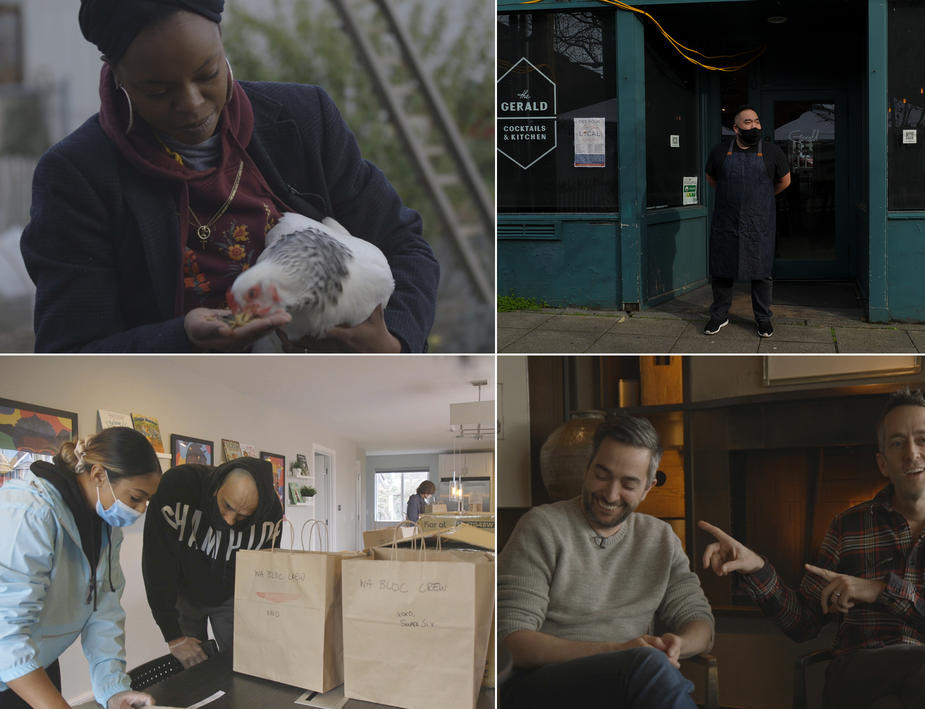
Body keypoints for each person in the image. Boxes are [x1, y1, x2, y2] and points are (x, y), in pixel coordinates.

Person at [20, 0, 438, 353]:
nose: (192, 104)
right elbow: (71, 347)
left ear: (223, 48)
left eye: (208, 74)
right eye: (157, 90)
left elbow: (405, 245)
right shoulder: (77, 176)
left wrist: (395, 343)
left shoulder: (303, 118)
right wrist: (182, 337)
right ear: (117, 75)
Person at [699, 388, 925, 709]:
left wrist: (882, 590)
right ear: (882, 463)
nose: (911, 453)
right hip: (863, 677)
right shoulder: (849, 526)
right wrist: (756, 568)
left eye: (923, 439)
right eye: (897, 443)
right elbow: (803, 622)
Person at [499, 415, 714, 709]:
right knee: (648, 668)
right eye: (602, 475)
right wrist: (616, 650)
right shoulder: (542, 526)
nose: (611, 494)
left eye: (628, 483)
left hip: (633, 682)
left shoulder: (660, 538)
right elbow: (512, 640)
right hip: (540, 684)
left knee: (650, 670)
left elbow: (700, 622)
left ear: (648, 488)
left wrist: (678, 645)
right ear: (587, 467)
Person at [0, 427, 162, 709]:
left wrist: (114, 690)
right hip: (11, 660)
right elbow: (6, 634)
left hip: (37, 662)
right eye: (136, 498)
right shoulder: (30, 512)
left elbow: (104, 612)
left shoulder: (105, 526)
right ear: (99, 474)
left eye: (147, 500)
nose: (140, 509)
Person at [142, 457, 283, 668]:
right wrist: (173, 636)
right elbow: (156, 565)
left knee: (244, 661)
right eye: (226, 505)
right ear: (217, 486)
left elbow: (264, 571)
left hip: (233, 593)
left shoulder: (271, 513)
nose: (229, 520)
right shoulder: (178, 487)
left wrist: (263, 620)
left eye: (242, 516)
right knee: (192, 668)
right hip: (184, 592)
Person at [703, 105, 791, 339]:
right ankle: (719, 316)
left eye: (757, 121)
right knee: (722, 271)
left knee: (761, 273)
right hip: (727, 221)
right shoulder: (720, 152)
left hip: (759, 223)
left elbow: (785, 181)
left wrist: (762, 197)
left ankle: (763, 319)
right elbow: (712, 179)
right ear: (736, 128)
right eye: (748, 122)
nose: (754, 126)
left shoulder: (773, 152)